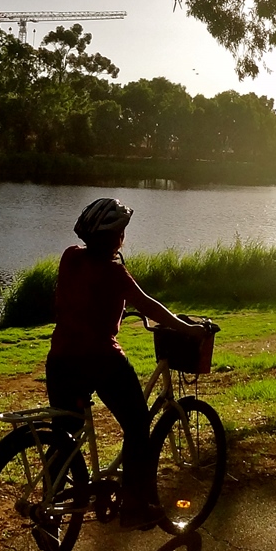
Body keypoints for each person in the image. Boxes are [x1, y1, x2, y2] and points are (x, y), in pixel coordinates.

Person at [47, 196, 206, 529]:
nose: (123, 237)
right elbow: (147, 304)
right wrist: (187, 328)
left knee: (66, 434)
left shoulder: (70, 257)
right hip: (100, 360)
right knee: (137, 424)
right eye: (121, 232)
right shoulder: (114, 272)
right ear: (115, 237)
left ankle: (49, 506)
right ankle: (134, 507)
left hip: (61, 359)